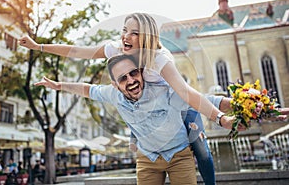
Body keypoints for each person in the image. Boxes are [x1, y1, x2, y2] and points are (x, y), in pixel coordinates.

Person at [19, 13, 233, 184]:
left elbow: (187, 93)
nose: (125, 36)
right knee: (131, 104)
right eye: (124, 30)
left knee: (202, 151)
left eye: (134, 33)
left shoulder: (160, 60)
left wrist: (221, 118)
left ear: (147, 37)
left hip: (177, 105)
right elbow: (78, 52)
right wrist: (38, 46)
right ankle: (136, 137)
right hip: (143, 112)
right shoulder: (116, 50)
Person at [34, 54, 240, 185]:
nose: (131, 80)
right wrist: (59, 86)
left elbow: (207, 100)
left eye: (134, 73)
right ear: (115, 84)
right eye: (123, 78)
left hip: (179, 156)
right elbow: (87, 90)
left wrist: (243, 104)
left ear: (141, 72)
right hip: (148, 159)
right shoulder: (113, 95)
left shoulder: (164, 91)